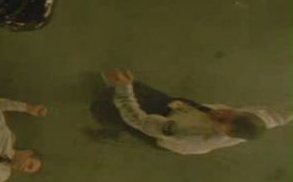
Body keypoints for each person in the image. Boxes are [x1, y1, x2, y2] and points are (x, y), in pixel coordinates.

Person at [103, 69, 293, 155]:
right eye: (228, 111)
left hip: (168, 125)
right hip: (183, 109)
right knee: (139, 91)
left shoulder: (186, 132)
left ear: (227, 134)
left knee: (112, 111)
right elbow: (280, 115)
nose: (217, 113)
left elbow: (138, 119)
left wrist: (124, 90)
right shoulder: (254, 121)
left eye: (221, 121)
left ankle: (113, 123)